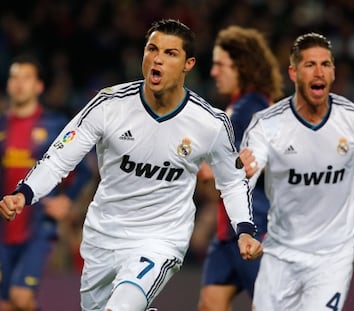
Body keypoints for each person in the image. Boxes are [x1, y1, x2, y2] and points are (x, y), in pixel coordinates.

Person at [0, 19, 263, 311]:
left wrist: (245, 230)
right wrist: (24, 193)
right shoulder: (108, 105)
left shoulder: (209, 123)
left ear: (188, 64)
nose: (157, 58)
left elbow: (231, 180)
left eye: (170, 53)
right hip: (103, 238)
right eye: (152, 49)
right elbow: (60, 157)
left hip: (159, 240)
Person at [239, 32, 354, 311]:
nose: (319, 71)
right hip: (281, 251)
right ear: (294, 73)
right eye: (310, 65)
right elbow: (245, 175)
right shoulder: (268, 125)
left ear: (332, 72)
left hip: (333, 253)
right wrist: (245, 225)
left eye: (326, 64)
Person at [195, 25, 283, 311]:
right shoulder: (242, 107)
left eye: (221, 65)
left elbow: (215, 166)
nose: (213, 72)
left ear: (242, 68)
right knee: (210, 304)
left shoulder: (248, 108)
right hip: (228, 233)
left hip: (257, 228)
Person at [0, 55, 91, 310]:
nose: (19, 84)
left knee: (21, 297)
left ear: (39, 86)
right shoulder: (2, 125)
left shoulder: (54, 125)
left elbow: (82, 171)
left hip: (38, 226)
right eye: (14, 77)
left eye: (26, 78)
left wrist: (66, 199)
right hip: (3, 227)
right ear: (8, 84)